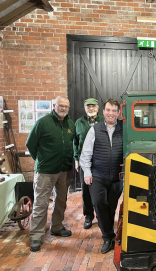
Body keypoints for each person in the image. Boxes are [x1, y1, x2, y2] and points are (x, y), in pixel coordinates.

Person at [26, 96, 76, 252]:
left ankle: (56, 226)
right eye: (61, 106)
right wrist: (42, 160)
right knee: (41, 203)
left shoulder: (70, 124)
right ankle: (36, 235)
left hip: (64, 170)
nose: (63, 109)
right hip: (45, 171)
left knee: (61, 201)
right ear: (54, 105)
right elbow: (30, 144)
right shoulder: (43, 122)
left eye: (66, 107)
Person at [80, 98, 123, 254]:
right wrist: (87, 172)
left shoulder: (124, 129)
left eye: (114, 110)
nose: (111, 113)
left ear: (118, 113)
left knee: (111, 207)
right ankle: (108, 237)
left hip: (118, 177)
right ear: (103, 111)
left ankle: (109, 233)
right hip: (98, 175)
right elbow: (85, 153)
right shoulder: (95, 129)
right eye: (108, 110)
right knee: (99, 203)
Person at [73, 98, 104, 229]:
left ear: (98, 108)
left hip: (101, 162)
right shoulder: (79, 123)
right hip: (84, 162)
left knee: (101, 191)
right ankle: (89, 216)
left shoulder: (104, 121)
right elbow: (75, 142)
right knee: (86, 191)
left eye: (93, 106)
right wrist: (76, 159)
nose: (91, 108)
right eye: (88, 106)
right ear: (85, 108)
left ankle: (102, 216)